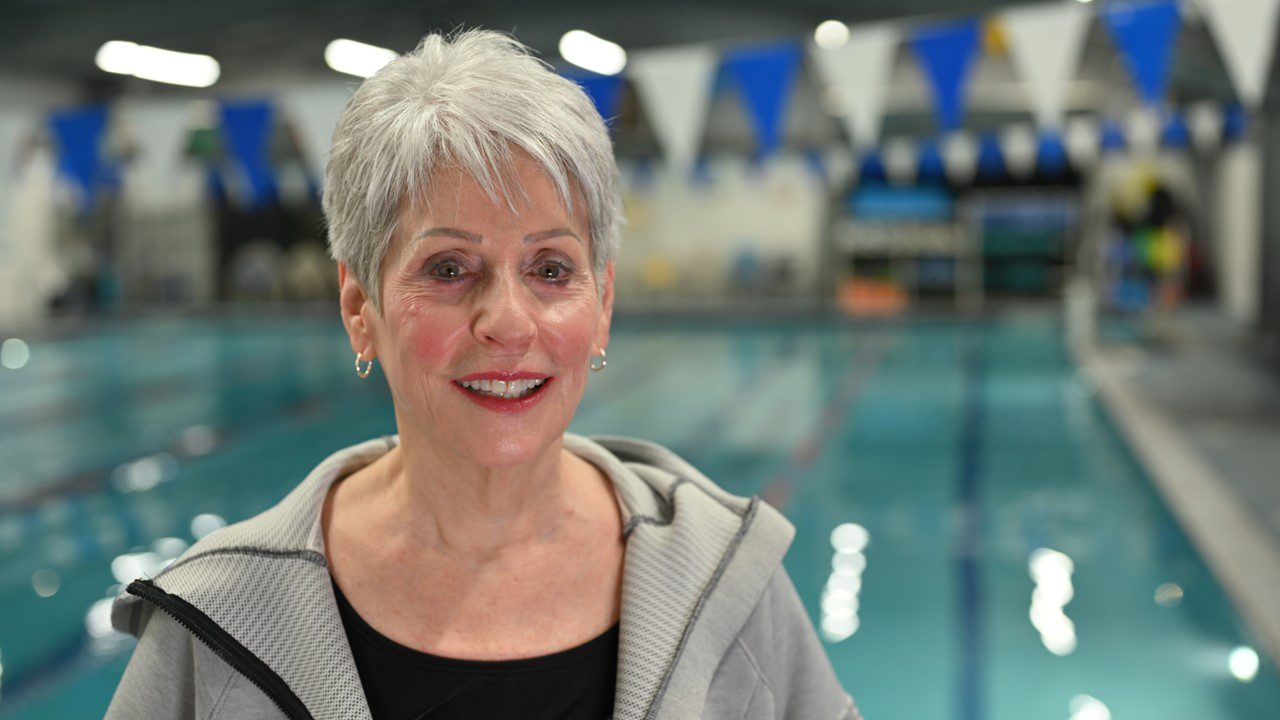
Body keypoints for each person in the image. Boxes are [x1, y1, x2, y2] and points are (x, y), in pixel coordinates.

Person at [105, 29, 858, 720]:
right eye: (450, 267)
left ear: (602, 304)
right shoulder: (218, 625)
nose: (508, 321)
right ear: (359, 305)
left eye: (552, 268)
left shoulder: (728, 585)